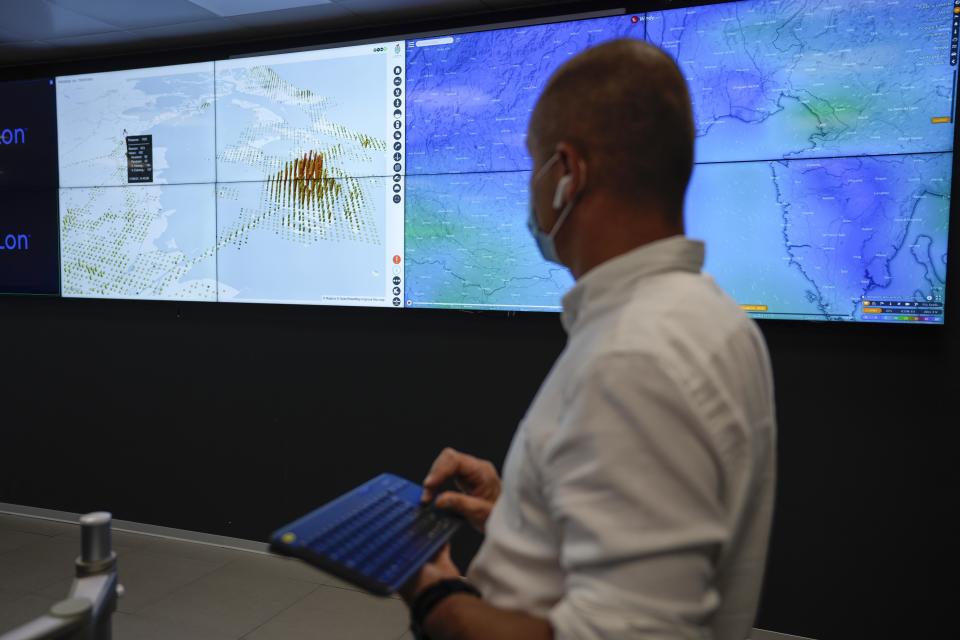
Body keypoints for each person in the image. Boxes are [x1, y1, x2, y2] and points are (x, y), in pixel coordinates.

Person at [400, 38, 777, 640]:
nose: (528, 188)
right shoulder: (716, 320)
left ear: (567, 174)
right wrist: (522, 514)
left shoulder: (635, 356)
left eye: (533, 164)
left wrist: (432, 592)